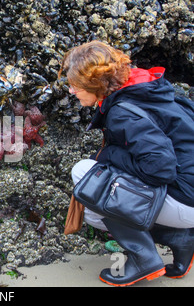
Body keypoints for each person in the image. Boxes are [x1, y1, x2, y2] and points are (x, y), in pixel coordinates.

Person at [58, 40, 194, 286]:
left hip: (187, 199)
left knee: (86, 178)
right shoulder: (148, 88)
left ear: (95, 84)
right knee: (102, 174)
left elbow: (161, 168)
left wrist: (109, 156)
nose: (71, 92)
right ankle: (180, 237)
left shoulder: (124, 112)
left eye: (74, 86)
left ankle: (144, 259)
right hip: (189, 193)